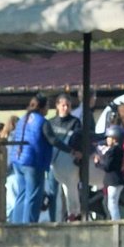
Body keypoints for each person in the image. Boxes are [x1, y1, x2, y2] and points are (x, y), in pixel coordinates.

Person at [8, 93, 52, 223]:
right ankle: (29, 227)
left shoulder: (23, 119)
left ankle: (16, 224)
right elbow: (53, 140)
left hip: (18, 160)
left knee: (21, 195)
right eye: (48, 106)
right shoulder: (42, 121)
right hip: (33, 162)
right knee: (33, 196)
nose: (48, 109)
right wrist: (69, 149)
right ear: (42, 107)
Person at [44, 92, 83, 222]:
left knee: (70, 191)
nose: (65, 108)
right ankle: (53, 220)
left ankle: (72, 215)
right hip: (52, 163)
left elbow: (78, 141)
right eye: (63, 105)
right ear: (57, 106)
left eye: (68, 105)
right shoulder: (50, 123)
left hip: (68, 164)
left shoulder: (75, 122)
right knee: (53, 193)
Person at [93, 124, 124, 220]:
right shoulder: (119, 150)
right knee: (110, 202)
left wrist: (97, 163)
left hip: (113, 181)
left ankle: (116, 223)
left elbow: (107, 166)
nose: (107, 140)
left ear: (115, 139)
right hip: (117, 180)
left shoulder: (113, 150)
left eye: (109, 138)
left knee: (112, 203)